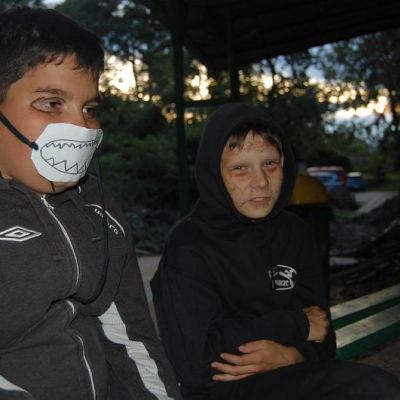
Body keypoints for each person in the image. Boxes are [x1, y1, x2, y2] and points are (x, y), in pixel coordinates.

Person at [151, 102, 400, 400]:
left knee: (382, 389)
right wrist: (295, 325)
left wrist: (291, 355)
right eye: (240, 168)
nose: (261, 181)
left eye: (270, 163)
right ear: (214, 173)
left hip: (293, 371)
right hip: (223, 390)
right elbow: (195, 363)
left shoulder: (295, 233)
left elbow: (323, 333)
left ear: (284, 163)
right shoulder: (188, 246)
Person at [0, 6, 181, 400]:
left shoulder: (96, 205)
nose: (80, 127)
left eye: (90, 109)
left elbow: (131, 336)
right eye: (51, 103)